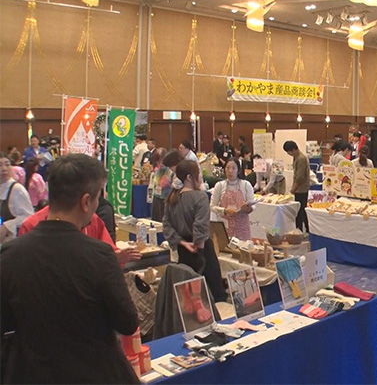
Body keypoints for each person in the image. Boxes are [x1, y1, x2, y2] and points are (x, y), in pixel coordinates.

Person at [0, 154, 140, 383]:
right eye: (97, 198)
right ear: (85, 202)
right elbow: (127, 322)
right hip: (94, 373)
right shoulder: (99, 255)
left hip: (33, 373)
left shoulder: (10, 254)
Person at [162, 160, 226, 302]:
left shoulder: (171, 198)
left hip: (183, 250)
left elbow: (166, 225)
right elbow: (200, 226)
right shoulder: (200, 196)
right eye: (198, 173)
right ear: (189, 177)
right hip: (201, 250)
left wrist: (182, 243)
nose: (200, 177)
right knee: (214, 296)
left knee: (189, 297)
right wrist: (199, 249)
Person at [211, 159, 255, 241]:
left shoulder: (246, 185)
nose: (230, 171)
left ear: (238, 170)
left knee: (243, 247)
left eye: (233, 168)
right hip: (225, 227)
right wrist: (225, 210)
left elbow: (253, 205)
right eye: (228, 168)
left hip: (242, 227)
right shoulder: (219, 186)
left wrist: (247, 208)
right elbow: (212, 206)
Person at [0, 153, 34, 242]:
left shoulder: (17, 189)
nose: (4, 169)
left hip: (12, 242)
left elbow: (29, 216)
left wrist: (7, 226)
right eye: (0, 165)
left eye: (7, 164)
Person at [284, 141, 310, 232]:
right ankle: (302, 229)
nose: (288, 154)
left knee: (300, 211)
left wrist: (293, 189)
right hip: (299, 188)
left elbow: (300, 176)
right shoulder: (296, 157)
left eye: (288, 152)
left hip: (302, 189)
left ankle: (301, 230)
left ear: (293, 150)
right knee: (300, 210)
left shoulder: (301, 158)